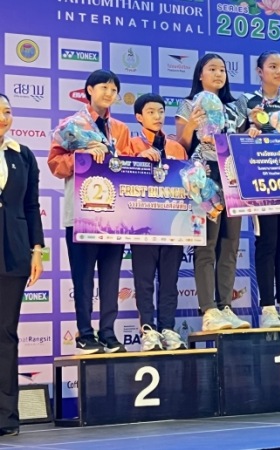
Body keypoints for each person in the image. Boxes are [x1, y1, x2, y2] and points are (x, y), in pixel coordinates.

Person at [48, 70, 132, 354]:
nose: (109, 93)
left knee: (111, 277)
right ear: (89, 90)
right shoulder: (71, 126)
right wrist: (81, 157)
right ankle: (85, 334)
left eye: (114, 89)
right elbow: (55, 165)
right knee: (82, 278)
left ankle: (108, 332)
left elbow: (129, 167)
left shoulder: (121, 129)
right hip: (81, 215)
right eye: (103, 87)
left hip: (115, 216)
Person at [176, 53, 250, 331]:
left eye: (222, 70)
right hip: (204, 176)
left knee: (230, 244)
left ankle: (226, 307)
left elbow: (243, 141)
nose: (219, 74)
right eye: (212, 69)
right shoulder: (188, 104)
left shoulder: (236, 107)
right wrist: (192, 125)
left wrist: (251, 131)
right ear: (200, 74)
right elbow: (181, 147)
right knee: (207, 244)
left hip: (232, 175)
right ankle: (209, 310)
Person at [236, 50, 280, 328]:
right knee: (267, 242)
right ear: (259, 71)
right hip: (260, 183)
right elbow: (236, 135)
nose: (279, 71)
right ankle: (268, 308)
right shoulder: (247, 101)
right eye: (273, 66)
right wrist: (248, 130)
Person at [129, 93, 188, 350]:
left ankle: (168, 328)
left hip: (174, 225)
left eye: (161, 111)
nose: (157, 116)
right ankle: (148, 330)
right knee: (143, 281)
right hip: (142, 225)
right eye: (151, 112)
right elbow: (122, 178)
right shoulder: (131, 145)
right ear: (139, 117)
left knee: (169, 281)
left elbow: (188, 182)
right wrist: (138, 160)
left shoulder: (177, 148)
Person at [0, 93, 44, 436]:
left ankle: (5, 417)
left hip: (13, 251)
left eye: (7, 111)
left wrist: (36, 250)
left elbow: (31, 206)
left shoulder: (23, 155)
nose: (3, 117)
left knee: (5, 334)